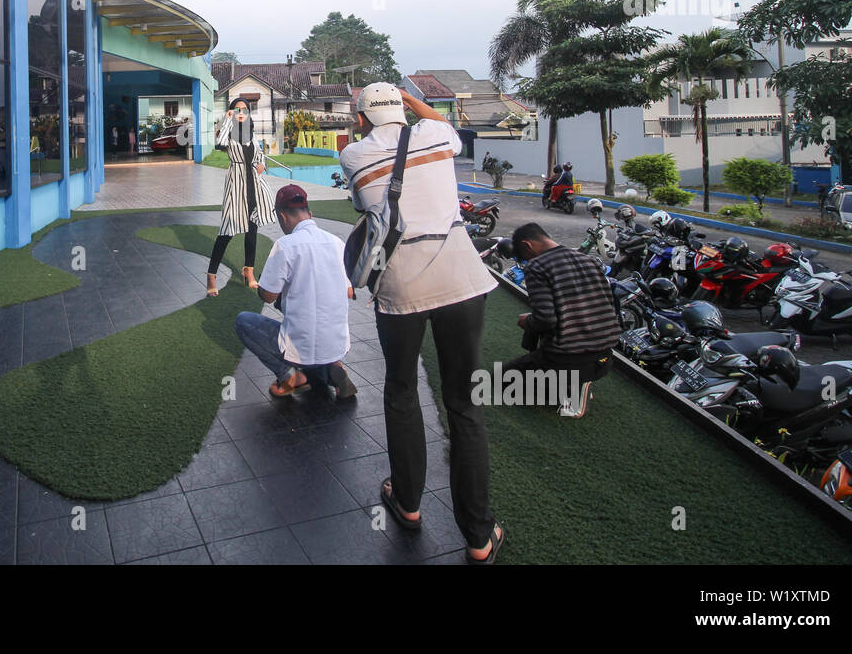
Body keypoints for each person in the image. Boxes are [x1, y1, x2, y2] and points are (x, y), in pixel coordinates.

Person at [339, 82, 504, 563]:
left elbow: (368, 212)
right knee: (465, 407)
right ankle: (477, 538)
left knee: (402, 392)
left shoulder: (352, 155)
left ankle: (408, 504)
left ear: (362, 117)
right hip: (461, 280)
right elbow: (440, 123)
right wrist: (412, 102)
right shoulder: (435, 133)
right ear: (403, 111)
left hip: (401, 287)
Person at [234, 184, 358, 399]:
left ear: (282, 217)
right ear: (310, 214)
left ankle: (290, 377)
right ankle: (332, 367)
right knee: (305, 304)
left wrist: (271, 282)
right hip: (337, 342)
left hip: (303, 342)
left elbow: (267, 295)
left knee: (244, 321)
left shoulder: (286, 245)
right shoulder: (336, 242)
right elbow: (348, 291)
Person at [502, 223, 619, 417]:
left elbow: (545, 319)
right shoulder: (589, 260)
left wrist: (528, 321)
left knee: (503, 381)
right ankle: (575, 380)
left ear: (527, 246)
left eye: (525, 257)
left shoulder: (538, 266)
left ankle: (570, 389)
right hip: (605, 357)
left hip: (568, 359)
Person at [207, 97, 276, 297]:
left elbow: (259, 153)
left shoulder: (250, 134)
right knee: (227, 230)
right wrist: (226, 119)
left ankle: (249, 270)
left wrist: (262, 163)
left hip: (253, 183)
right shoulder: (229, 131)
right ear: (231, 111)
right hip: (236, 183)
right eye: (236, 109)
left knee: (252, 228)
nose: (241, 112)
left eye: (244, 109)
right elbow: (219, 143)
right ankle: (211, 276)